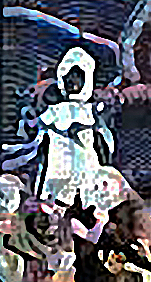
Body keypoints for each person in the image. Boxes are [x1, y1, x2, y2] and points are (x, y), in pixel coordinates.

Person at [31, 44, 125, 228]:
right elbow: (43, 140)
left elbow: (102, 136)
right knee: (58, 201)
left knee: (88, 199)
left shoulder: (91, 110)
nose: (73, 84)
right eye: (69, 79)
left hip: (85, 160)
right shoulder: (55, 111)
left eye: (79, 79)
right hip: (59, 159)